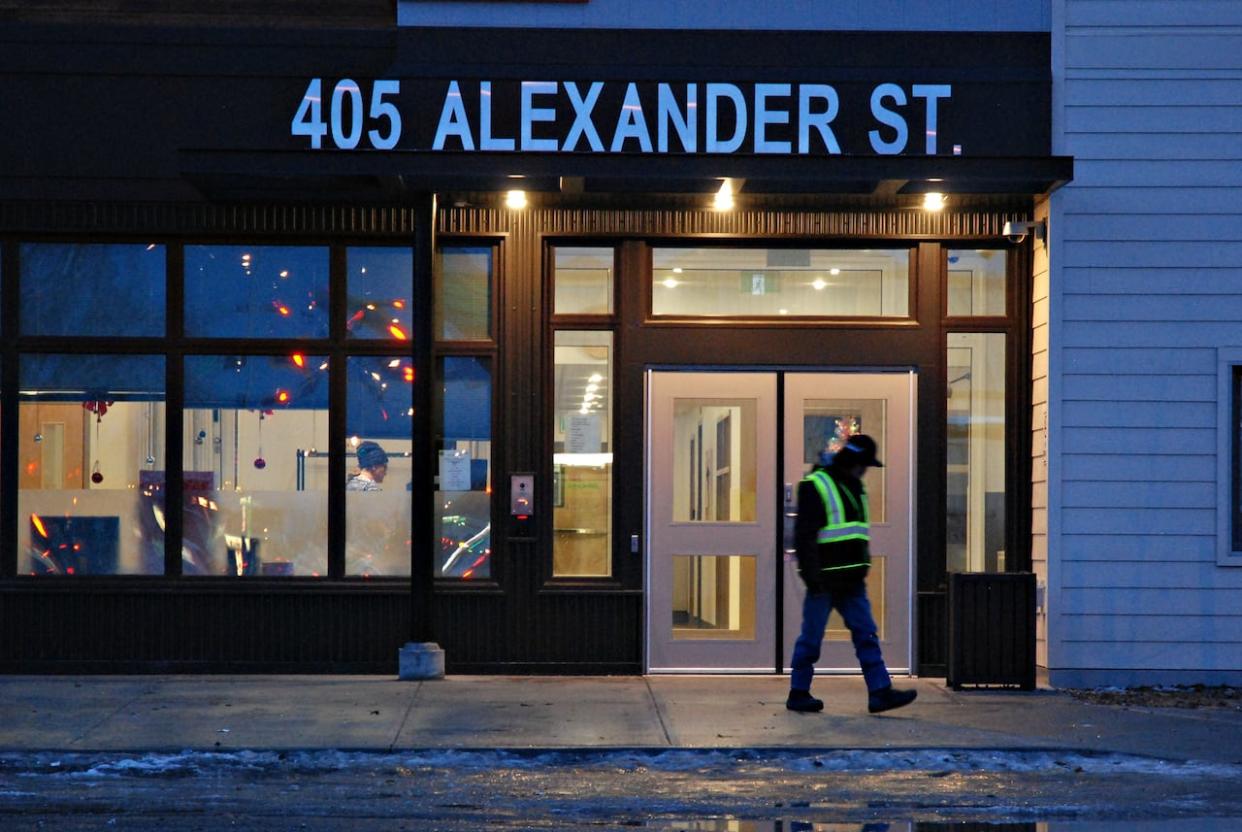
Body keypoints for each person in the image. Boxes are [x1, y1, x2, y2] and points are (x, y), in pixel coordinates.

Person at [787, 434, 917, 715]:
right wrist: (812, 578)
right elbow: (804, 536)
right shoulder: (817, 485)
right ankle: (798, 692)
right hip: (824, 580)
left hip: (851, 580)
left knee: (866, 634)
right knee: (811, 639)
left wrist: (862, 565)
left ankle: (880, 692)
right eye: (864, 464)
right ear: (852, 460)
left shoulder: (855, 486)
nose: (866, 470)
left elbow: (855, 531)